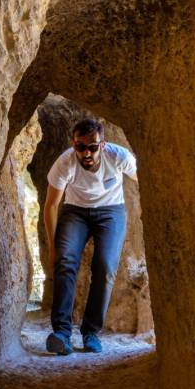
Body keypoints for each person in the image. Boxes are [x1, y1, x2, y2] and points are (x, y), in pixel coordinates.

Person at [43, 118, 137, 355]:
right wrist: (54, 247)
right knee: (65, 262)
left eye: (93, 147)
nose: (87, 153)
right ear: (73, 144)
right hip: (75, 211)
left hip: (111, 211)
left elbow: (145, 177)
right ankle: (62, 333)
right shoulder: (64, 163)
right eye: (80, 147)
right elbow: (52, 206)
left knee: (105, 265)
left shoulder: (119, 157)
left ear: (102, 145)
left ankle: (91, 332)